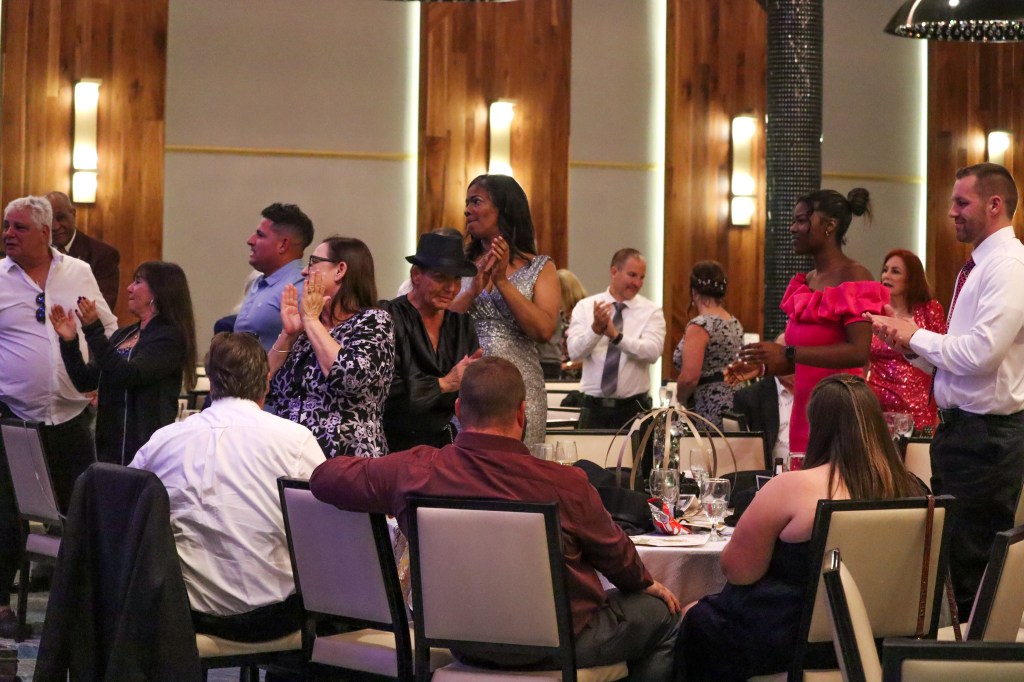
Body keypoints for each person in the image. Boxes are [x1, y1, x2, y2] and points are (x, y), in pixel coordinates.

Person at [310, 357, 681, 681]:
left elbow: (324, 478)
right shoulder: (565, 483)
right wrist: (643, 581)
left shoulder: (414, 470)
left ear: (458, 410)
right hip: (559, 645)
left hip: (461, 642)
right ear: (521, 413)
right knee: (663, 612)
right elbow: (617, 559)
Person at [677, 374, 922, 681]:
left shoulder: (792, 488)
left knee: (696, 618)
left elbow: (739, 571)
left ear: (816, 426)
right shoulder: (913, 489)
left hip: (793, 645)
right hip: (883, 642)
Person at [866, 163, 1024, 617]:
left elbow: (981, 355)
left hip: (987, 437)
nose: (951, 212)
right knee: (956, 561)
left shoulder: (1008, 265)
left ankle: (973, 652)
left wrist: (915, 334)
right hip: (962, 432)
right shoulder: (978, 265)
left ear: (994, 205)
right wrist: (906, 343)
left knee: (972, 568)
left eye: (961, 202)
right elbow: (958, 361)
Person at [129, 332, 325, 642]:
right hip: (270, 616)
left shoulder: (163, 441)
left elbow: (123, 510)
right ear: (267, 382)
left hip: (185, 612)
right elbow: (327, 529)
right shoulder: (296, 441)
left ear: (212, 382)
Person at [0, 195, 117, 638]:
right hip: (11, 417)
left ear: (46, 233)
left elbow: (106, 327)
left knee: (79, 511)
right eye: (6, 226)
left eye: (19, 227)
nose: (8, 234)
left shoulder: (78, 272)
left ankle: (81, 607)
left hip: (70, 415)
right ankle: (1, 605)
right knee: (5, 514)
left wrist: (100, 376)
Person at [727, 188, 888, 453]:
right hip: (804, 411)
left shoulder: (855, 276)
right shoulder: (808, 281)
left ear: (829, 226)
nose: (793, 228)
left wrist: (788, 352)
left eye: (802, 220)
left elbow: (858, 352)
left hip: (840, 410)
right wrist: (765, 366)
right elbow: (806, 359)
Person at [50, 261, 198, 465]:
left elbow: (129, 375)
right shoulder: (123, 335)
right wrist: (69, 342)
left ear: (158, 291)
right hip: (111, 446)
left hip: (145, 449)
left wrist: (94, 330)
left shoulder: (169, 338)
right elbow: (85, 380)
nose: (129, 288)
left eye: (137, 281)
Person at [450, 174, 559, 446]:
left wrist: (501, 282)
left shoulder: (540, 267)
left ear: (504, 208)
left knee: (520, 469)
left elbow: (544, 330)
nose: (467, 210)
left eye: (476, 201)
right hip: (469, 387)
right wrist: (472, 290)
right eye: (467, 203)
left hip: (520, 389)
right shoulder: (460, 266)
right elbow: (442, 325)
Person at [266, 236, 395, 458]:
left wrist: (311, 320)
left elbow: (348, 378)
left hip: (345, 461)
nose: (304, 272)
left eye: (313, 262)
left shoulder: (373, 321)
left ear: (340, 270)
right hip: (290, 459)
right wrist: (288, 335)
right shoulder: (305, 329)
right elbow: (261, 385)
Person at [383, 232, 481, 452]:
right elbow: (384, 388)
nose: (451, 288)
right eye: (440, 277)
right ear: (416, 275)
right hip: (390, 445)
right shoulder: (387, 317)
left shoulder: (461, 325)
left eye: (456, 279)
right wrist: (444, 383)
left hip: (442, 445)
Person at [567, 248, 666, 430]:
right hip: (592, 407)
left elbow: (653, 352)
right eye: (632, 275)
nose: (637, 283)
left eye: (642, 277)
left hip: (634, 408)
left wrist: (616, 337)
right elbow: (574, 352)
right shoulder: (586, 307)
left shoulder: (651, 311)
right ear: (614, 272)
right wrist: (595, 330)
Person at [867, 249, 945, 432]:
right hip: (877, 408)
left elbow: (940, 359)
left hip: (917, 409)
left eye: (895, 271)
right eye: (885, 270)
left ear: (911, 279)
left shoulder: (929, 310)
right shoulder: (875, 312)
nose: (886, 275)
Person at [234, 203, 315, 351]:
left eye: (260, 235)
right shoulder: (258, 282)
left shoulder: (301, 289)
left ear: (283, 245)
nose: (250, 240)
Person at [672, 261, 743, 428]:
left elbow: (689, 378)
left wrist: (679, 399)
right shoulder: (734, 323)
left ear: (694, 292)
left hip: (708, 406)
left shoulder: (700, 325)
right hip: (735, 401)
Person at [46, 191, 121, 309]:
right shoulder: (35, 254)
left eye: (60, 218)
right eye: (49, 220)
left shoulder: (103, 255)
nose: (55, 226)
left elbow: (103, 307)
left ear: (73, 214)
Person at [733, 333, 795, 461]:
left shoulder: (821, 392)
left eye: (789, 355)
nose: (784, 361)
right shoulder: (751, 398)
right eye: (779, 355)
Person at [556, 268, 588, 379]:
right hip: (559, 375)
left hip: (580, 377)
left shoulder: (586, 313)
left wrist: (568, 365)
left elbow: (594, 352)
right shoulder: (559, 315)